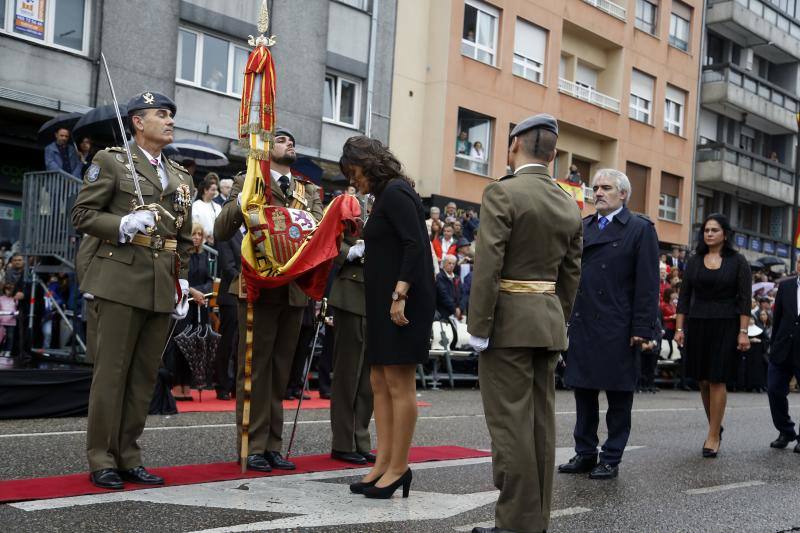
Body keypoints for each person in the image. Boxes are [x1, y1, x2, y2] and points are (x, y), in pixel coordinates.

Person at [71, 91, 194, 490]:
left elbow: (184, 235)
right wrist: (121, 224)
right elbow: (83, 214)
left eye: (171, 114)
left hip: (161, 283)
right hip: (120, 278)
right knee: (112, 374)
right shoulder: (111, 161)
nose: (170, 120)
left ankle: (129, 455)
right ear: (138, 122)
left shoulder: (180, 176)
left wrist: (183, 280)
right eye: (162, 114)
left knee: (143, 377)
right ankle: (101, 457)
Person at [468, 114, 583, 533]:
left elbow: (488, 265)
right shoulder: (567, 202)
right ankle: (536, 521)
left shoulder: (503, 192)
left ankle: (515, 524)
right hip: (547, 324)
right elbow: (571, 274)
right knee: (540, 427)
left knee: (510, 428)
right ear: (552, 154)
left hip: (508, 325)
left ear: (515, 144)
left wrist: (478, 325)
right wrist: (556, 318)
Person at [214, 128, 323, 473]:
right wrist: (246, 195)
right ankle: (252, 445)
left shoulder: (307, 190)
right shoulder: (250, 179)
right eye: (280, 140)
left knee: (279, 371)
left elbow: (318, 233)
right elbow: (221, 230)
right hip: (256, 285)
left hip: (292, 291)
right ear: (265, 149)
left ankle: (273, 445)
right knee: (254, 369)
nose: (289, 143)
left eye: (292, 140)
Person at [339, 135, 435, 499]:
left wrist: (400, 294)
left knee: (399, 382)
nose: (353, 180)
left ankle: (399, 467)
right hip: (383, 300)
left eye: (354, 171)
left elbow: (414, 244)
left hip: (402, 300)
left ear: (369, 163)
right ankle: (383, 463)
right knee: (379, 381)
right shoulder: (386, 195)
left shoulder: (396, 192)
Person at [559, 168, 659, 480]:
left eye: (606, 188)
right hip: (585, 322)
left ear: (623, 195)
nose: (598, 193)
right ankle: (585, 452)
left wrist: (642, 329)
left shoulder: (639, 229)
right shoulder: (584, 225)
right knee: (583, 393)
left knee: (618, 398)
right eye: (596, 188)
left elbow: (647, 284)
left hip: (618, 324)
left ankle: (611, 457)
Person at [675, 213, 751, 458]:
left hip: (726, 324)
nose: (709, 234)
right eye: (706, 230)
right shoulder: (695, 260)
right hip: (698, 323)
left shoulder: (739, 262)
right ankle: (715, 424)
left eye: (714, 230)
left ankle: (713, 435)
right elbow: (684, 297)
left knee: (717, 378)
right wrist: (679, 328)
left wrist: (743, 332)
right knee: (703, 380)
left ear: (725, 234)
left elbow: (745, 301)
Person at [327, 214, 375, 465]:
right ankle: (343, 443)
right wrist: (351, 252)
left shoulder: (390, 200)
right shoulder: (349, 205)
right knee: (348, 375)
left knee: (368, 380)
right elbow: (329, 242)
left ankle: (361, 440)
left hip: (376, 297)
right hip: (351, 294)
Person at [165, 223, 213, 399]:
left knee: (193, 347)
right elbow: (178, 278)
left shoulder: (203, 256)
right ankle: (177, 384)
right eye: (194, 234)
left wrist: (202, 293)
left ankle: (187, 384)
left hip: (198, 307)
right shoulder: (182, 256)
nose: (197, 237)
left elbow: (208, 279)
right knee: (179, 345)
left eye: (200, 234)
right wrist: (194, 292)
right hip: (183, 304)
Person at [764, 254, 800, 452]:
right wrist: (773, 345)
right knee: (775, 390)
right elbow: (777, 319)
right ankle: (785, 430)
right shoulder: (786, 287)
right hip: (782, 348)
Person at [213, 200, 243, 401]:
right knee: (228, 342)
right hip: (232, 294)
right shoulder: (227, 231)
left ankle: (237, 385)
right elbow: (227, 265)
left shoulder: (250, 231)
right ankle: (223, 383)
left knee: (243, 344)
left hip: (248, 295)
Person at [192, 177, 221, 241]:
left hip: (216, 241)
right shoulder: (196, 205)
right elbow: (196, 223)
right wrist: (207, 237)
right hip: (202, 241)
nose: (215, 192)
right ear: (205, 190)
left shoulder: (217, 206)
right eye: (213, 190)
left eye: (216, 190)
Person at [435, 254, 462, 321]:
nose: (451, 265)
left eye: (453, 264)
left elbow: (463, 293)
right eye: (449, 263)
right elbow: (443, 295)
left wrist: (460, 308)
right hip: (444, 312)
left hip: (457, 312)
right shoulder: (440, 277)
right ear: (444, 264)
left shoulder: (457, 277)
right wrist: (454, 309)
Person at [0, 283, 18, 357]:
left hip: (11, 322)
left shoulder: (15, 299)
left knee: (10, 337)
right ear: (4, 290)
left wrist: (15, 314)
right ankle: (2, 350)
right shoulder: (1, 298)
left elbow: (16, 308)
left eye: (10, 290)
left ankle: (8, 350)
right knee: (2, 337)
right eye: (7, 290)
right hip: (2, 321)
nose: (9, 291)